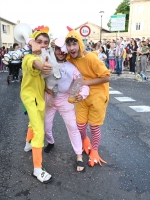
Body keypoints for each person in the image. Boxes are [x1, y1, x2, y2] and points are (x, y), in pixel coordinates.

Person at [65, 26, 111, 167]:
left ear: (80, 43)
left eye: (74, 44)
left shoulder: (91, 57)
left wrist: (86, 82)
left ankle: (95, 151)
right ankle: (85, 141)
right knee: (80, 126)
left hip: (97, 96)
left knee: (95, 127)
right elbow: (58, 56)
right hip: (82, 96)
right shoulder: (70, 58)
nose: (72, 48)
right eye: (69, 44)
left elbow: (107, 77)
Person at [42, 38, 89, 172]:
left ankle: (79, 156)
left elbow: (82, 83)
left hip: (64, 99)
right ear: (54, 49)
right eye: (57, 48)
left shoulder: (72, 67)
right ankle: (50, 142)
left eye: (62, 49)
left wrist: (82, 94)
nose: (60, 52)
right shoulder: (47, 62)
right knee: (46, 126)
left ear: (66, 50)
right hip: (49, 99)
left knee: (72, 126)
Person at [21, 26, 53, 183]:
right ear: (33, 43)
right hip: (30, 98)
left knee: (33, 123)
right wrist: (42, 66)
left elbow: (39, 78)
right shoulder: (28, 58)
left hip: (39, 97)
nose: (42, 45)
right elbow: (34, 64)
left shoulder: (45, 57)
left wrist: (47, 88)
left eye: (45, 42)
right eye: (39, 41)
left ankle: (27, 144)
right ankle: (37, 169)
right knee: (39, 131)